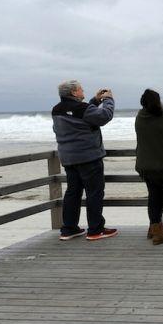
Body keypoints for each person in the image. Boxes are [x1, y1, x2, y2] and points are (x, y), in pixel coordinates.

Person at [51, 80, 117, 241]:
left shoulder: (56, 109)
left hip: (68, 158)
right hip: (88, 157)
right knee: (94, 193)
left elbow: (82, 115)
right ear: (74, 92)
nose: (83, 91)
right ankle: (95, 229)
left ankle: (69, 228)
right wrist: (108, 100)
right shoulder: (83, 109)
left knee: (73, 193)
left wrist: (95, 101)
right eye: (80, 89)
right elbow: (104, 116)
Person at [134, 89, 163, 245]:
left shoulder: (140, 117)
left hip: (146, 165)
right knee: (158, 198)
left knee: (154, 197)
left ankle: (155, 227)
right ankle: (157, 233)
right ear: (158, 101)